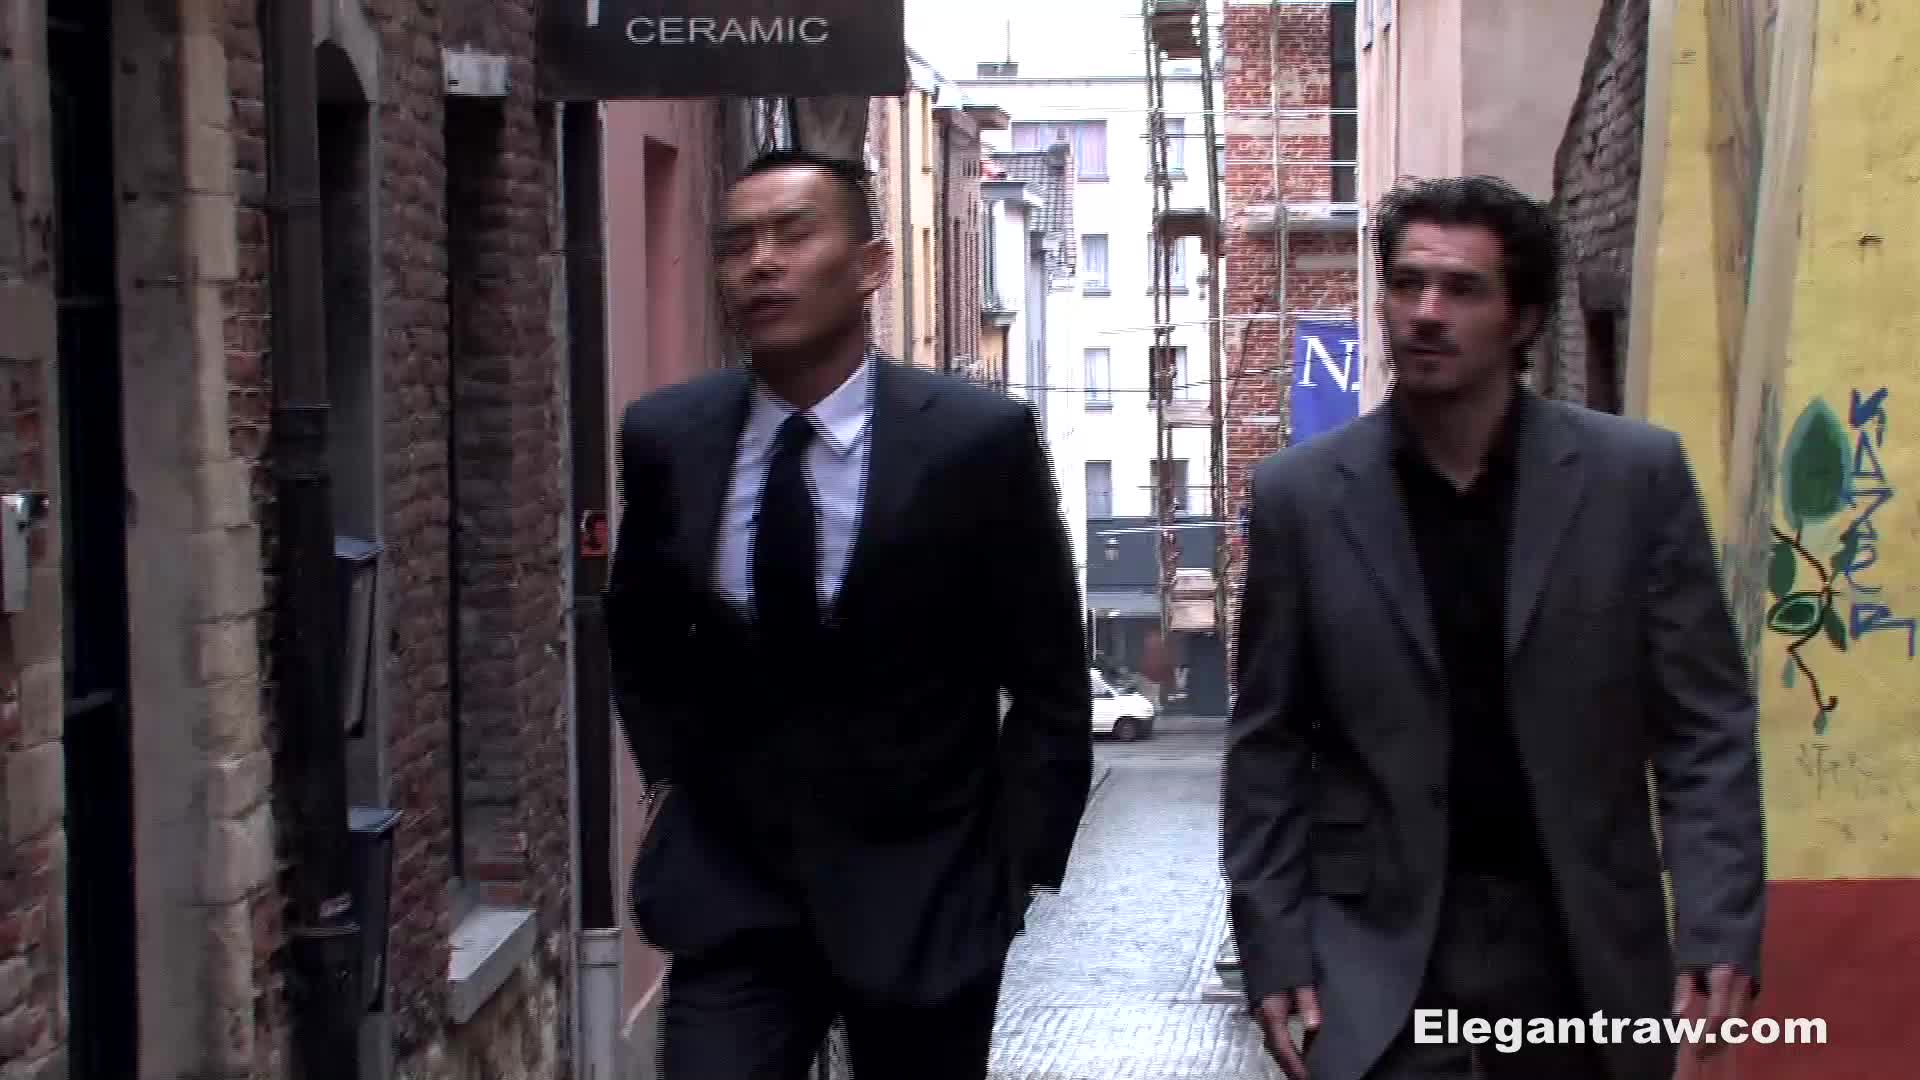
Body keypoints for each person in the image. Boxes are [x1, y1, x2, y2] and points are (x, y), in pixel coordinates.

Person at [1220, 175, 1765, 1080]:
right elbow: (1269, 746)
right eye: (1407, 284)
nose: (1426, 313)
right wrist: (1273, 945)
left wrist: (1717, 921)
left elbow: (1704, 726)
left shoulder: (1633, 480)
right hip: (1379, 958)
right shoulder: (1302, 498)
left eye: (1463, 289)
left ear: (1524, 320)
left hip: (1580, 948)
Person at [605, 148, 1092, 1079]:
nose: (761, 263)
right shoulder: (670, 436)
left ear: (871, 266)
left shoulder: (973, 441)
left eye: (793, 235)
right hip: (732, 894)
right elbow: (640, 631)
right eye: (737, 243)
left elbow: (1049, 682)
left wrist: (1013, 872)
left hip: (928, 896)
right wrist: (672, 778)